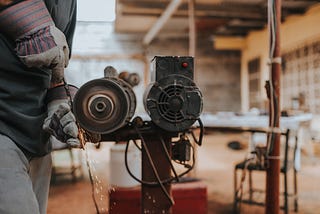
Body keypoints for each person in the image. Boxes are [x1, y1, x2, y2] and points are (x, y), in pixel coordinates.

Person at [0, 0, 79, 213]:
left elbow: (57, 65)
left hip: (38, 136)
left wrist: (58, 103)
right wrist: (31, 20)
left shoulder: (69, 3)